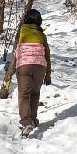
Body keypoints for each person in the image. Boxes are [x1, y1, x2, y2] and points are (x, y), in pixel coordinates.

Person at [15, 8, 51, 138]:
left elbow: (16, 51)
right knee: (35, 94)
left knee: (24, 95)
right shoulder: (41, 35)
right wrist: (48, 74)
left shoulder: (21, 32)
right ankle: (33, 120)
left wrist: (14, 66)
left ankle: (26, 122)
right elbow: (47, 54)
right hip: (40, 66)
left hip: (24, 66)